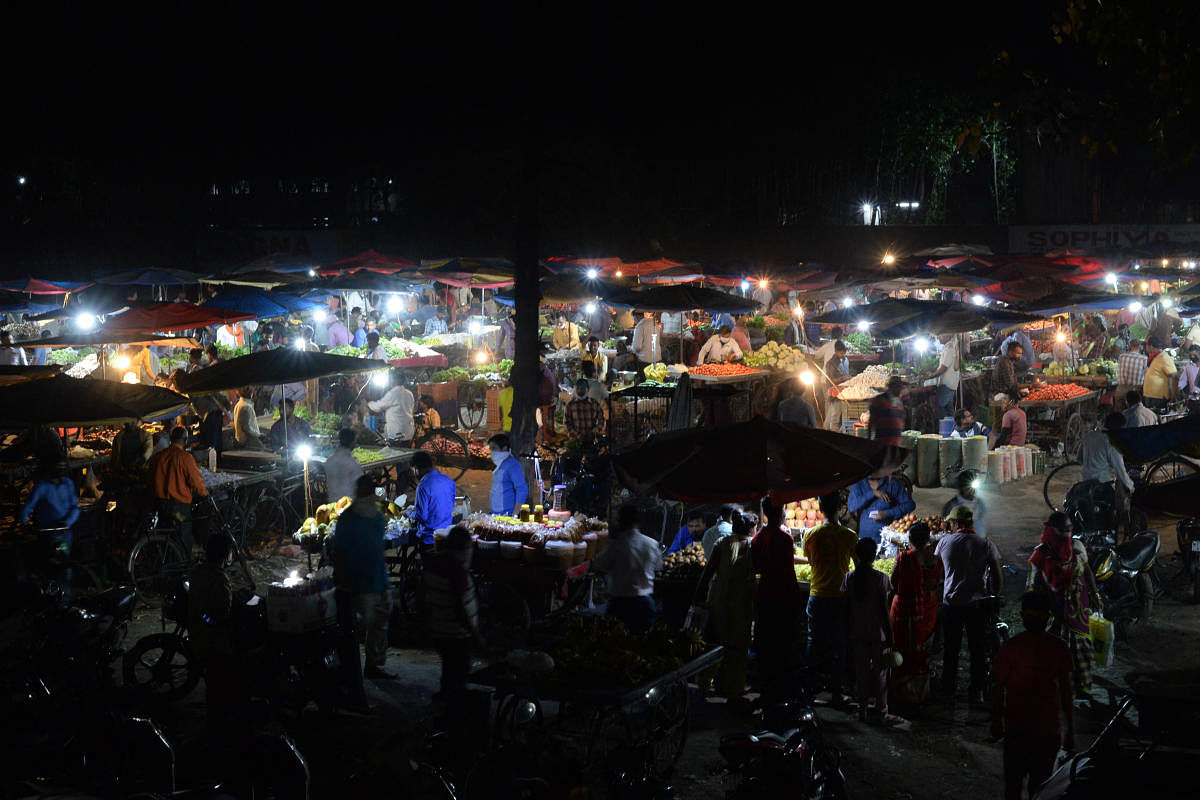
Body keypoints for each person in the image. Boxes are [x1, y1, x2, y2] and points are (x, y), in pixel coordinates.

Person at [992, 591, 1075, 800]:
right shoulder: (1058, 647)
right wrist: (1070, 729)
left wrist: (996, 720)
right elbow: (1065, 690)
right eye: (1032, 616)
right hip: (1038, 730)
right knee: (1035, 787)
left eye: (1036, 616)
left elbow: (998, 686)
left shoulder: (1012, 647)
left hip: (1026, 730)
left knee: (1021, 786)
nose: (1035, 620)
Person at [934, 505, 1003, 704]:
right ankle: (976, 691)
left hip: (952, 604)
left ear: (956, 523)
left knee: (951, 648)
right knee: (977, 649)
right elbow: (998, 576)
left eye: (951, 522)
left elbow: (938, 574)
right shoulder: (985, 544)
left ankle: (948, 688)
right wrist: (994, 597)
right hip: (977, 605)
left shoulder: (944, 542)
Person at [1028, 512, 1103, 696]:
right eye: (1064, 530)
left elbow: (1087, 571)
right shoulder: (1041, 553)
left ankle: (1082, 687)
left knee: (1082, 650)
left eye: (1070, 529)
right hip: (1053, 613)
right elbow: (1032, 585)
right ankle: (1056, 688)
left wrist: (1094, 594)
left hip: (1078, 610)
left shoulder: (1077, 547)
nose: (1068, 533)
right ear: (1052, 531)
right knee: (1054, 652)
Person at [332, 475, 393, 680]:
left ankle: (374, 665)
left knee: (379, 625)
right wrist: (343, 582)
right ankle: (349, 671)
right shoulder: (348, 518)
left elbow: (376, 549)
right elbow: (338, 552)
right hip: (359, 583)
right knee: (357, 629)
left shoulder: (377, 517)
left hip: (379, 580)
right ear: (359, 492)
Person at [802, 493, 858, 705]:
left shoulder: (811, 534)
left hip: (816, 595)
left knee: (813, 642)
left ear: (820, 507)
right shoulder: (849, 535)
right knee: (838, 644)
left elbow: (810, 559)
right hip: (839, 597)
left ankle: (808, 691)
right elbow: (858, 563)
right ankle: (836, 692)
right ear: (840, 508)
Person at [694, 511, 756, 699]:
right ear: (751, 529)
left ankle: (703, 685)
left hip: (718, 600)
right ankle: (732, 689)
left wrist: (698, 597)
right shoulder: (752, 546)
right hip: (741, 603)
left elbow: (707, 573)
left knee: (714, 644)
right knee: (737, 649)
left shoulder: (722, 544)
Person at [423, 525, 484, 703]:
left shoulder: (434, 563)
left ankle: (444, 699)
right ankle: (452, 713)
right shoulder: (456, 571)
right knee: (458, 672)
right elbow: (459, 608)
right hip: (455, 633)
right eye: (467, 548)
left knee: (449, 668)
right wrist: (475, 635)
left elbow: (423, 594)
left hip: (438, 629)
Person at [843, 538, 901, 725]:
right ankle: (881, 712)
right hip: (877, 634)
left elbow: (846, 606)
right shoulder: (881, 578)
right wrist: (890, 634)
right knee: (880, 674)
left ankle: (862, 711)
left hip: (857, 632)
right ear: (874, 555)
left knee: (861, 674)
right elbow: (884, 610)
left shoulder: (849, 577)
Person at [889, 521, 943, 706]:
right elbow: (938, 583)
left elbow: (893, 583)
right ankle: (920, 691)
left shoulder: (904, 558)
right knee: (922, 650)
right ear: (929, 540)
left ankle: (901, 692)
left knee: (901, 648)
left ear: (910, 538)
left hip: (904, 609)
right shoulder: (936, 560)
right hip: (926, 611)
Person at [592, 504, 661, 634]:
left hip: (621, 605)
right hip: (646, 604)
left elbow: (599, 565)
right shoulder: (652, 543)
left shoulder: (617, 545)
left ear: (621, 521)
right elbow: (658, 567)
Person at [148, 426, 209, 553]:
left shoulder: (158, 456)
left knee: (163, 536)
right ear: (185, 440)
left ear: (171, 439)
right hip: (178, 507)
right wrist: (204, 494)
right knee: (182, 535)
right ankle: (183, 567)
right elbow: (196, 483)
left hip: (158, 504)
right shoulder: (185, 458)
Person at [1079, 413, 1134, 511]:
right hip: (1101, 486)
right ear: (1119, 428)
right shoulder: (1111, 442)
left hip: (1085, 482)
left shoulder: (1089, 435)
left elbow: (1079, 458)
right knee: (1116, 503)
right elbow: (1119, 470)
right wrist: (1131, 486)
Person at [408, 450, 456, 552]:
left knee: (429, 565)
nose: (414, 474)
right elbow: (451, 504)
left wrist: (408, 513)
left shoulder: (423, 486)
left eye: (413, 471)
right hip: (447, 533)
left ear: (417, 468)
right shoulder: (448, 480)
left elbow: (422, 517)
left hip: (429, 538)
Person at [848, 473, 915, 543]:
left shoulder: (892, 483)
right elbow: (851, 507)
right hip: (865, 538)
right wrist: (872, 493)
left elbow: (910, 505)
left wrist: (887, 513)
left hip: (888, 539)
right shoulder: (858, 484)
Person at [367, 370, 415, 445]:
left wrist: (368, 404)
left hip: (397, 432)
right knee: (405, 452)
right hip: (408, 431)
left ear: (394, 381)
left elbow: (379, 406)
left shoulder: (393, 393)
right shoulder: (409, 393)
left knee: (396, 453)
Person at [486, 433, 528, 515]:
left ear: (504, 448)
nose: (492, 452)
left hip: (507, 514)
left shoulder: (513, 465)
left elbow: (522, 489)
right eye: (490, 449)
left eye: (494, 448)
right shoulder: (500, 464)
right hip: (495, 514)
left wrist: (515, 514)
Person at [942, 470, 989, 537]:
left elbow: (982, 523)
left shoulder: (979, 504)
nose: (972, 490)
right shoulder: (952, 506)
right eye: (968, 487)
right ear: (961, 487)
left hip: (979, 542)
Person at [323, 428, 364, 503]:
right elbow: (363, 485)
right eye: (355, 441)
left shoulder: (329, 461)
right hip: (349, 506)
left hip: (333, 505)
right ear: (352, 442)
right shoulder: (352, 463)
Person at [929, 333, 962, 422]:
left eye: (940, 335)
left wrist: (930, 376)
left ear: (948, 336)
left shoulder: (949, 349)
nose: (938, 337)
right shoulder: (948, 347)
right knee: (949, 409)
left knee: (939, 407)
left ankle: (945, 428)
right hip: (949, 384)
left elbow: (943, 369)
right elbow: (942, 366)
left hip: (947, 384)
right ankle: (953, 428)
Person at [867, 376, 906, 447]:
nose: (900, 389)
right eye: (898, 386)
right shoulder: (879, 400)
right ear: (891, 386)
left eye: (900, 387)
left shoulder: (900, 403)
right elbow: (871, 422)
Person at [1142, 335, 1177, 412]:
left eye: (1146, 345)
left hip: (1158, 397)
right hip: (1150, 396)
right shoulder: (1154, 357)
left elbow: (1174, 377)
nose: (1145, 347)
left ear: (1151, 346)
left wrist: (1173, 397)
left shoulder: (1164, 357)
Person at [564, 379, 605, 443]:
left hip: (592, 440)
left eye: (582, 388)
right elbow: (567, 423)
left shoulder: (595, 404)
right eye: (578, 388)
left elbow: (601, 420)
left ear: (588, 389)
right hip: (576, 441)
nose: (580, 391)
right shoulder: (570, 405)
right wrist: (577, 435)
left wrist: (595, 431)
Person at [1115, 338, 1147, 409]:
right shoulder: (1144, 359)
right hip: (1135, 393)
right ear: (1140, 347)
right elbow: (1147, 376)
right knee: (1134, 415)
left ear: (1130, 346)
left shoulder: (1121, 356)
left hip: (1121, 390)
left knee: (1120, 414)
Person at [537, 349, 559, 444]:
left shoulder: (539, 369)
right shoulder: (546, 370)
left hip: (543, 400)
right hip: (550, 399)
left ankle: (542, 435)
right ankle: (549, 432)